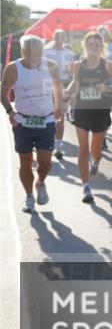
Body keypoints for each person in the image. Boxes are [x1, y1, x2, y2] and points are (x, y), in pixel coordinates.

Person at [2, 35, 64, 212]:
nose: (35, 58)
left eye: (38, 54)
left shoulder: (51, 66)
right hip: (23, 121)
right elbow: (3, 92)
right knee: (25, 161)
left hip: (46, 120)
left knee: (46, 162)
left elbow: (58, 87)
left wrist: (59, 106)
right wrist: (10, 111)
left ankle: (41, 182)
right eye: (30, 54)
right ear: (22, 52)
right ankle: (29, 197)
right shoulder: (13, 68)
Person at [65, 32, 112, 204]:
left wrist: (107, 88)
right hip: (82, 109)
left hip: (101, 111)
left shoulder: (108, 65)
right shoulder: (77, 65)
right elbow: (75, 82)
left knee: (95, 149)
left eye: (97, 45)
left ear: (101, 47)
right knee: (83, 149)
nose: (93, 48)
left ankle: (96, 162)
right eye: (90, 45)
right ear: (85, 46)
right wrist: (68, 92)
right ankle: (86, 187)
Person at [43, 29, 76, 160]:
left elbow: (72, 72)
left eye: (62, 36)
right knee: (47, 115)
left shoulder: (70, 53)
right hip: (48, 85)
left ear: (65, 38)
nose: (60, 39)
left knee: (60, 116)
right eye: (57, 36)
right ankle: (45, 142)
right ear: (53, 37)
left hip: (63, 85)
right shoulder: (46, 52)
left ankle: (58, 147)